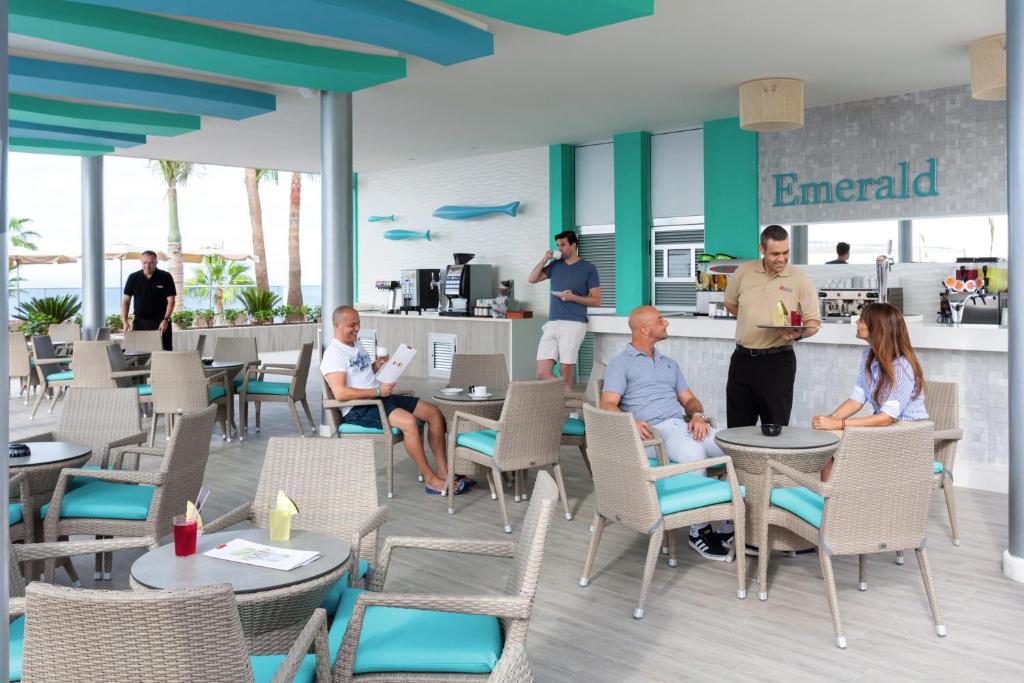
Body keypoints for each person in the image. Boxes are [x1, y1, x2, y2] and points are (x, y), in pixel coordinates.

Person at [600, 305, 732, 561]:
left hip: (682, 426)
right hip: (653, 434)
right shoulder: (620, 364)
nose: (666, 323)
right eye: (660, 320)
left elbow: (690, 399)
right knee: (693, 453)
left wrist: (697, 415)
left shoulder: (669, 364)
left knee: (734, 445)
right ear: (644, 329)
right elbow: (607, 404)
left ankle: (728, 524)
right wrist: (630, 422)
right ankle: (698, 530)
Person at [320, 305, 466, 496]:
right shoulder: (334, 354)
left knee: (434, 413)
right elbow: (340, 393)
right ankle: (431, 480)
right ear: (337, 325)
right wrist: (377, 390)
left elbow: (361, 375)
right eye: (352, 325)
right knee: (409, 422)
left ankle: (444, 473)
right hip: (359, 408)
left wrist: (378, 364)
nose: (358, 328)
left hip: (380, 398)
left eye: (359, 323)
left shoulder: (356, 345)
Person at [812, 302, 928, 478]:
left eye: (862, 320)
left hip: (905, 433)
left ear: (877, 327)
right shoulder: (868, 356)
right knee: (826, 438)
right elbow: (856, 399)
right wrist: (828, 420)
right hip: (887, 428)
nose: (856, 322)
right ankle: (830, 494)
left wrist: (838, 424)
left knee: (832, 443)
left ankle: (833, 493)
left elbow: (886, 418)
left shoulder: (901, 366)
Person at [724, 225, 821, 428]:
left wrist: (798, 335)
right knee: (737, 430)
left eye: (786, 253)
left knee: (775, 430)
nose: (781, 259)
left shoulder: (799, 279)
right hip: (742, 361)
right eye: (775, 254)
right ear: (761, 249)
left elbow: (813, 323)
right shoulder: (743, 272)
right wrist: (749, 319)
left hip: (778, 363)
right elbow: (730, 304)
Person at [528, 230, 601, 390]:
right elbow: (532, 279)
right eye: (557, 245)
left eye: (563, 245)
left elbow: (596, 300)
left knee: (565, 372)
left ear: (574, 245)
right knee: (541, 372)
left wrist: (573, 297)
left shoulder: (588, 268)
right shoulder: (555, 265)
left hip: (574, 324)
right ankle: (569, 398)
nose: (559, 249)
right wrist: (544, 259)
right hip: (553, 323)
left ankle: (567, 404)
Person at [121, 250, 176, 350]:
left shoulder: (166, 277)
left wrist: (166, 320)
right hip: (139, 323)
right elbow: (126, 301)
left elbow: (171, 301)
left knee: (164, 353)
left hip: (161, 322)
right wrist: (124, 321)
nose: (147, 266)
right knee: (139, 353)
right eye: (144, 263)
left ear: (156, 263)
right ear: (141, 262)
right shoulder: (133, 277)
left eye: (151, 263)